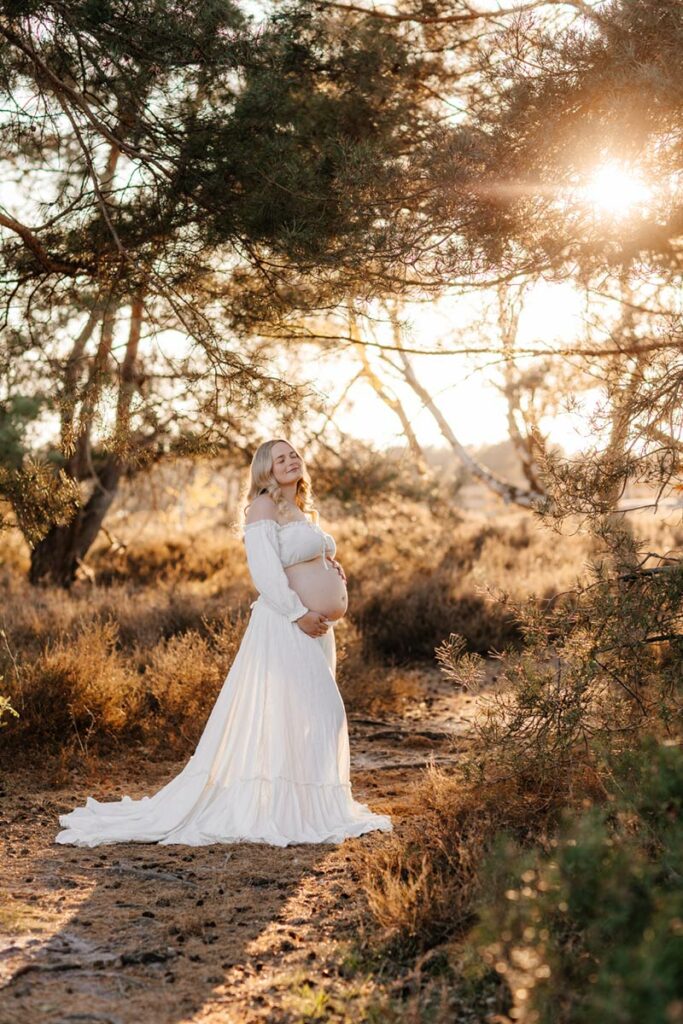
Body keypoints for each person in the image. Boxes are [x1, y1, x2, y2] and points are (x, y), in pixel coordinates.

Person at [54, 438, 393, 847]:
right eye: (280, 458)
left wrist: (327, 565)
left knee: (303, 718)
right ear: (265, 470)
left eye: (293, 455)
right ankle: (290, 811)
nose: (290, 461)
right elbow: (264, 571)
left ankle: (301, 808)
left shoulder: (300, 510)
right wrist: (298, 612)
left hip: (316, 630)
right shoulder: (263, 507)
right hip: (287, 625)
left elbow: (296, 557)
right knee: (323, 713)